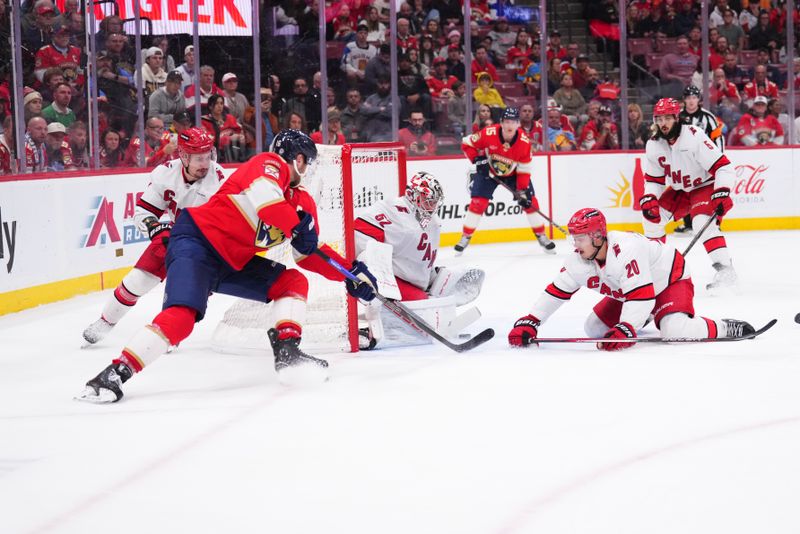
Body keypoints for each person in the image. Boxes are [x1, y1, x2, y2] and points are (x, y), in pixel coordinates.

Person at [77, 130, 379, 403]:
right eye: (307, 163)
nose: (309, 171)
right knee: (182, 316)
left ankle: (288, 352)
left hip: (233, 261)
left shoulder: (302, 202)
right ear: (298, 159)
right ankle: (114, 374)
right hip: (197, 244)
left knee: (292, 281)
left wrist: (349, 274)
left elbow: (307, 255)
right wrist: (297, 226)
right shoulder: (268, 164)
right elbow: (267, 205)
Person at [508, 208, 755, 349]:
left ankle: (725, 327)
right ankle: (647, 315)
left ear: (597, 236)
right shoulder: (578, 259)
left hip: (670, 281)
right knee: (594, 329)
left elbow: (642, 294)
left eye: (580, 238)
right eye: (574, 238)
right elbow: (556, 291)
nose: (575, 244)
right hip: (636, 292)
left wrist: (626, 328)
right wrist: (531, 321)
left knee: (674, 332)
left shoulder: (626, 249)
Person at [82, 129, 227, 345]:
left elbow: (226, 225)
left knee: (183, 296)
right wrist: (155, 228)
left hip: (203, 246)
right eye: (199, 158)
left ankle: (167, 334)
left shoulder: (220, 179)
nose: (205, 164)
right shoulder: (165, 173)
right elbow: (143, 212)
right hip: (175, 237)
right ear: (184, 156)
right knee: (135, 281)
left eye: (208, 156)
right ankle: (106, 321)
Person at [353, 172, 484, 349]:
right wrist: (374, 273)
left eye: (434, 201)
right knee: (426, 311)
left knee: (444, 288)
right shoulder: (391, 210)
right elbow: (360, 236)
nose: (432, 206)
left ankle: (432, 308)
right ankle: (371, 329)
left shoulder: (432, 222)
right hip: (387, 280)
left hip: (415, 278)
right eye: (428, 200)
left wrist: (432, 277)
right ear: (412, 195)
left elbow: (419, 257)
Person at [639, 98, 739, 290]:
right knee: (651, 219)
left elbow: (722, 166)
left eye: (667, 118)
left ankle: (726, 272)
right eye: (659, 119)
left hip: (704, 186)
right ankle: (657, 271)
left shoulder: (694, 136)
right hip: (680, 190)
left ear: (677, 118)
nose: (663, 123)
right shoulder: (653, 145)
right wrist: (650, 197)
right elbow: (654, 180)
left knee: (701, 222)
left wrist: (722, 191)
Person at [455, 107, 556, 256]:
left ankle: (541, 235)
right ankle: (466, 236)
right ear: (501, 122)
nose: (510, 125)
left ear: (518, 124)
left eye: (513, 122)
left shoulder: (524, 143)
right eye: (507, 121)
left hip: (514, 174)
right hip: (488, 171)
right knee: (478, 203)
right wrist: (477, 160)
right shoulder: (488, 133)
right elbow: (466, 143)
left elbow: (524, 169)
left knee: (531, 202)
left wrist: (521, 191)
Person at [673, 85, 725, 234]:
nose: (691, 101)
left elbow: (717, 137)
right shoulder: (678, 117)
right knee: (686, 191)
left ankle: (714, 222)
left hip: (706, 161)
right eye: (688, 98)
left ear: (699, 99)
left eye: (694, 98)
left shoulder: (708, 117)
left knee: (710, 190)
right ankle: (688, 224)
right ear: (684, 100)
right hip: (685, 161)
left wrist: (719, 159)